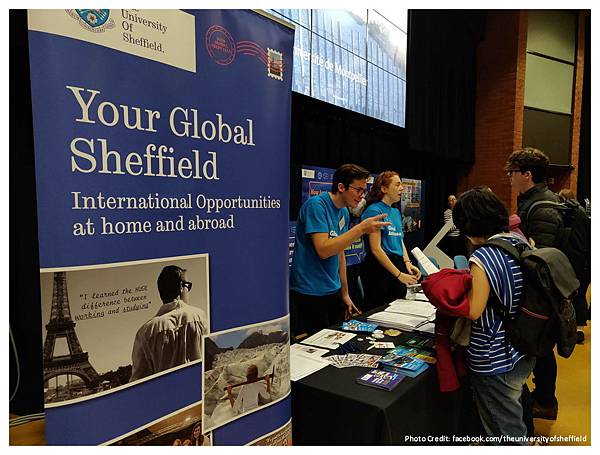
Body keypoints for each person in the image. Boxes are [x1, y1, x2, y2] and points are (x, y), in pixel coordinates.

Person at [452, 187, 535, 445]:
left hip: (493, 355)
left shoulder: (483, 256)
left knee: (504, 430)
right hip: (522, 346)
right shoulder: (517, 241)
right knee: (513, 411)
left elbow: (475, 310)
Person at [289, 164, 391, 336]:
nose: (361, 196)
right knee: (317, 345)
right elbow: (323, 250)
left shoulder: (343, 212)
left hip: (333, 288)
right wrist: (359, 229)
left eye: (364, 191)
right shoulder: (316, 206)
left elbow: (340, 253)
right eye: (358, 190)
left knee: (336, 340)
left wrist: (345, 293)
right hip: (310, 290)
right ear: (341, 187)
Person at [505, 147, 562, 420]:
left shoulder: (543, 208)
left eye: (512, 172)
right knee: (538, 346)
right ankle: (543, 399)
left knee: (540, 346)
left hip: (542, 293)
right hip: (538, 290)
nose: (509, 177)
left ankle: (545, 402)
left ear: (527, 174)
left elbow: (544, 258)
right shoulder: (532, 201)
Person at [130, 265, 208, 382]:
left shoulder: (145, 332)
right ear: (181, 287)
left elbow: (138, 380)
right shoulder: (199, 316)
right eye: (188, 286)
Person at [359, 171, 421, 310]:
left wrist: (407, 263)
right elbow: (375, 249)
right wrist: (399, 274)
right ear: (384, 189)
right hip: (379, 268)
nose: (402, 188)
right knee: (378, 310)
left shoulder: (395, 212)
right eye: (397, 184)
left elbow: (400, 240)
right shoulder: (374, 211)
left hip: (396, 264)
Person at [557, 188, 589, 344]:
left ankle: (567, 328)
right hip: (585, 263)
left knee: (568, 296)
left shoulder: (565, 215)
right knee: (581, 295)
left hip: (571, 262)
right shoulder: (583, 214)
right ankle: (580, 328)